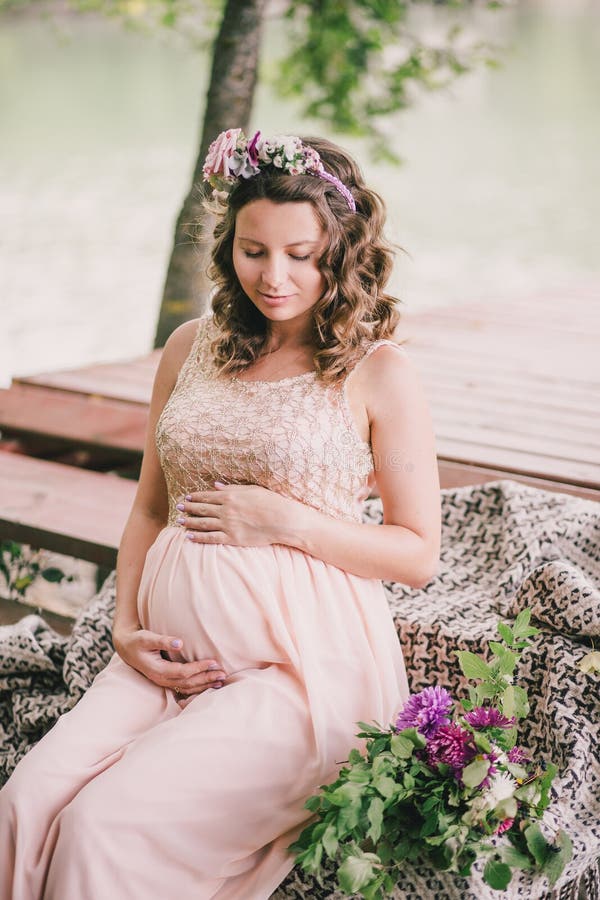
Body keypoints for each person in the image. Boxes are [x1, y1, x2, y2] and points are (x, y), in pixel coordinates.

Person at [0, 129, 441, 899]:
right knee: (23, 803)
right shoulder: (189, 347)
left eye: (302, 255)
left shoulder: (381, 372)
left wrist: (285, 523)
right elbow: (148, 505)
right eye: (253, 250)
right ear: (228, 246)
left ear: (342, 249)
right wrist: (124, 628)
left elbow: (416, 552)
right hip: (165, 659)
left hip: (299, 675)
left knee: (104, 828)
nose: (274, 277)